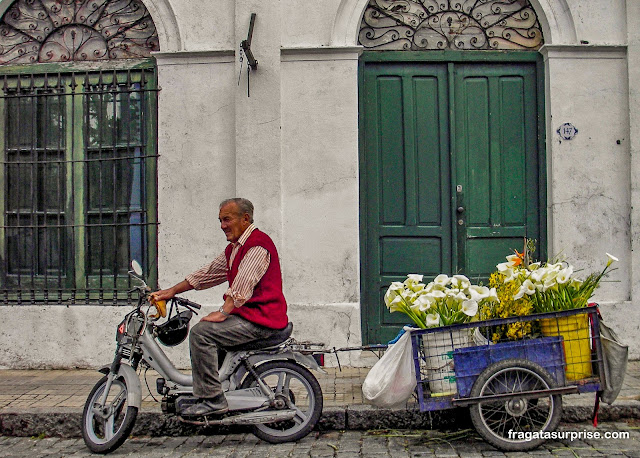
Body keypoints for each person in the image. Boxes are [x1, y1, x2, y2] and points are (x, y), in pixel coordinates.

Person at [151, 197, 288, 417]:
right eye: (220, 221)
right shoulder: (235, 248)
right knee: (210, 330)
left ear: (245, 218)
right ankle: (213, 389)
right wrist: (171, 291)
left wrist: (223, 312)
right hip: (252, 317)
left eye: (227, 219)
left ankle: (212, 400)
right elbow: (207, 274)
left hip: (263, 321)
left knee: (201, 333)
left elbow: (242, 286)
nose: (222, 226)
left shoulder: (257, 245)